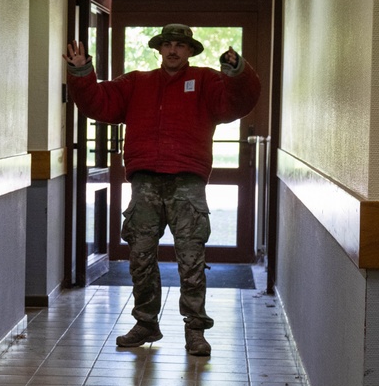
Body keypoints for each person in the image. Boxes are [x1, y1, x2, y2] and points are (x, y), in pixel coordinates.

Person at [64, 24, 261, 356]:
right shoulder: (136, 82)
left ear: (190, 51)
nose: (173, 50)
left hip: (187, 182)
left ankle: (195, 330)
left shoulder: (206, 81)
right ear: (158, 49)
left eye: (180, 45)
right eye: (167, 44)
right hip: (145, 182)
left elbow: (240, 101)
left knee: (191, 259)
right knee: (140, 256)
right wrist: (82, 71)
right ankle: (146, 323)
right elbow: (99, 103)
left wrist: (237, 71)